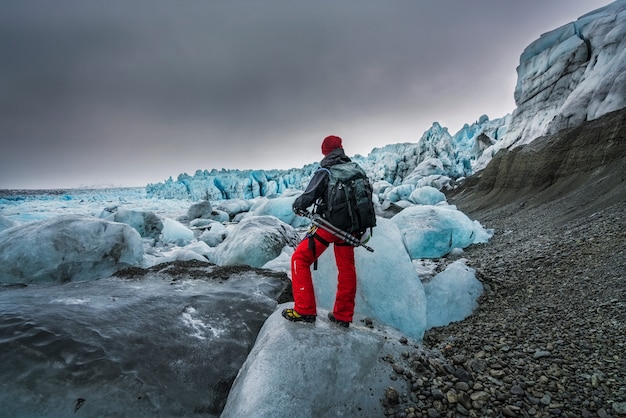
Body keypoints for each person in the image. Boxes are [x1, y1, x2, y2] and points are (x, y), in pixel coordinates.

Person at [282, 135, 363, 328]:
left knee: (299, 259)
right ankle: (343, 315)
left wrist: (297, 205)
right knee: (346, 269)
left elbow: (309, 196)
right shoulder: (355, 169)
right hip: (352, 228)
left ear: (324, 151)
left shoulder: (326, 170)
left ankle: (304, 310)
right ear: (341, 148)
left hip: (329, 227)